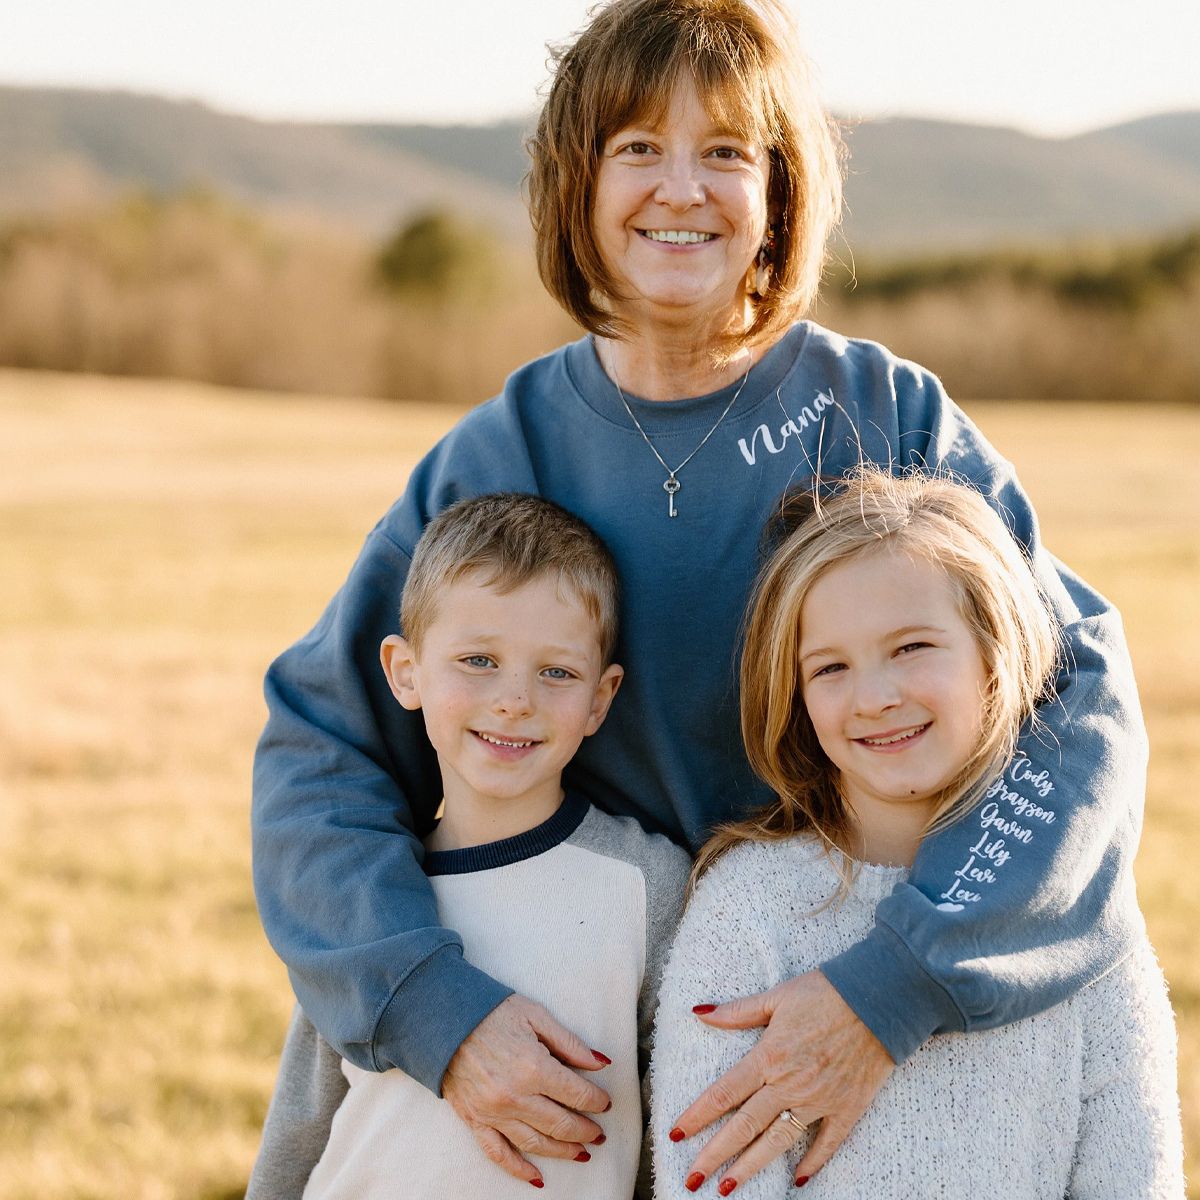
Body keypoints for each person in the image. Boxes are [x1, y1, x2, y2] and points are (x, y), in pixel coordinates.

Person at [252, 0, 1147, 1190]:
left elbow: (1075, 710)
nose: (683, 189)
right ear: (578, 183)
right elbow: (320, 761)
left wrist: (896, 985)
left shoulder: (891, 421)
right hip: (560, 1027)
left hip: (824, 997)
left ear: (781, 192)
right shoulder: (494, 456)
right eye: (638, 149)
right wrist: (438, 1009)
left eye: (726, 152)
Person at [649, 469, 1183, 1197]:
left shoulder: (1080, 927)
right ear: (798, 697)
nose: (874, 697)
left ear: (995, 655)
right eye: (830, 666)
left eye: (912, 648)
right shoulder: (745, 912)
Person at [247, 493, 691, 1197]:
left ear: (601, 699)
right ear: (405, 672)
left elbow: (669, 1128)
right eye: (479, 660)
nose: (514, 699)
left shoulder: (648, 883)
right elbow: (303, 1116)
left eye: (556, 672)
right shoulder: (377, 897)